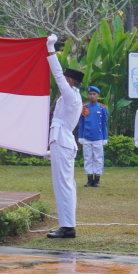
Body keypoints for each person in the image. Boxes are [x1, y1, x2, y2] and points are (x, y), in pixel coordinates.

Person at [45, 33, 83, 239]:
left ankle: (68, 227)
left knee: (64, 185)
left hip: (63, 141)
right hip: (62, 143)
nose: (62, 81)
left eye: (65, 79)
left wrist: (50, 50)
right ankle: (67, 225)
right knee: (64, 185)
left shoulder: (71, 95)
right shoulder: (73, 97)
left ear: (70, 81)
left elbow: (57, 75)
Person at [78, 86, 109, 187]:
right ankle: (89, 179)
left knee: (98, 158)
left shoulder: (103, 108)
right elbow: (81, 123)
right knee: (88, 158)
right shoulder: (84, 107)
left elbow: (104, 124)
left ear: (98, 96)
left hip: (98, 138)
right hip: (87, 137)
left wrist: (105, 137)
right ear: (88, 95)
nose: (92, 96)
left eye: (94, 94)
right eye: (90, 94)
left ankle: (97, 179)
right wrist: (80, 136)